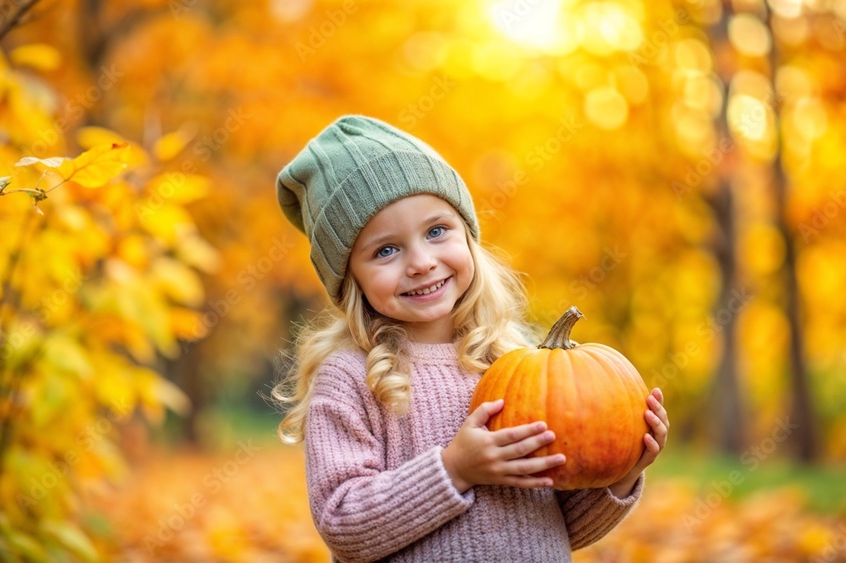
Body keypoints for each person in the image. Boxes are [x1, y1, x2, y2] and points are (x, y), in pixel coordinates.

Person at [272, 115, 669, 562]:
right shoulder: (351, 379)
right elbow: (344, 526)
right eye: (385, 250)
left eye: (437, 231)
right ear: (350, 279)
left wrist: (619, 475)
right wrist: (454, 469)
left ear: (468, 235)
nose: (421, 261)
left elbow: (559, 526)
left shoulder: (512, 362)